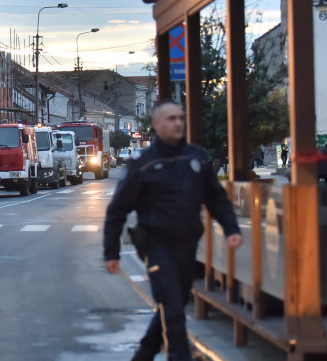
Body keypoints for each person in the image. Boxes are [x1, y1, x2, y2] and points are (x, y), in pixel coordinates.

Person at [103, 100, 242, 361]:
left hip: (188, 246)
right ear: (156, 125)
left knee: (173, 303)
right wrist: (112, 252)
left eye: (180, 118)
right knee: (173, 307)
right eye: (171, 119)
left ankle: (143, 355)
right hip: (157, 246)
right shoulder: (143, 164)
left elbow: (216, 198)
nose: (178, 123)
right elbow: (117, 210)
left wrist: (231, 228)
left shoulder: (196, 158)